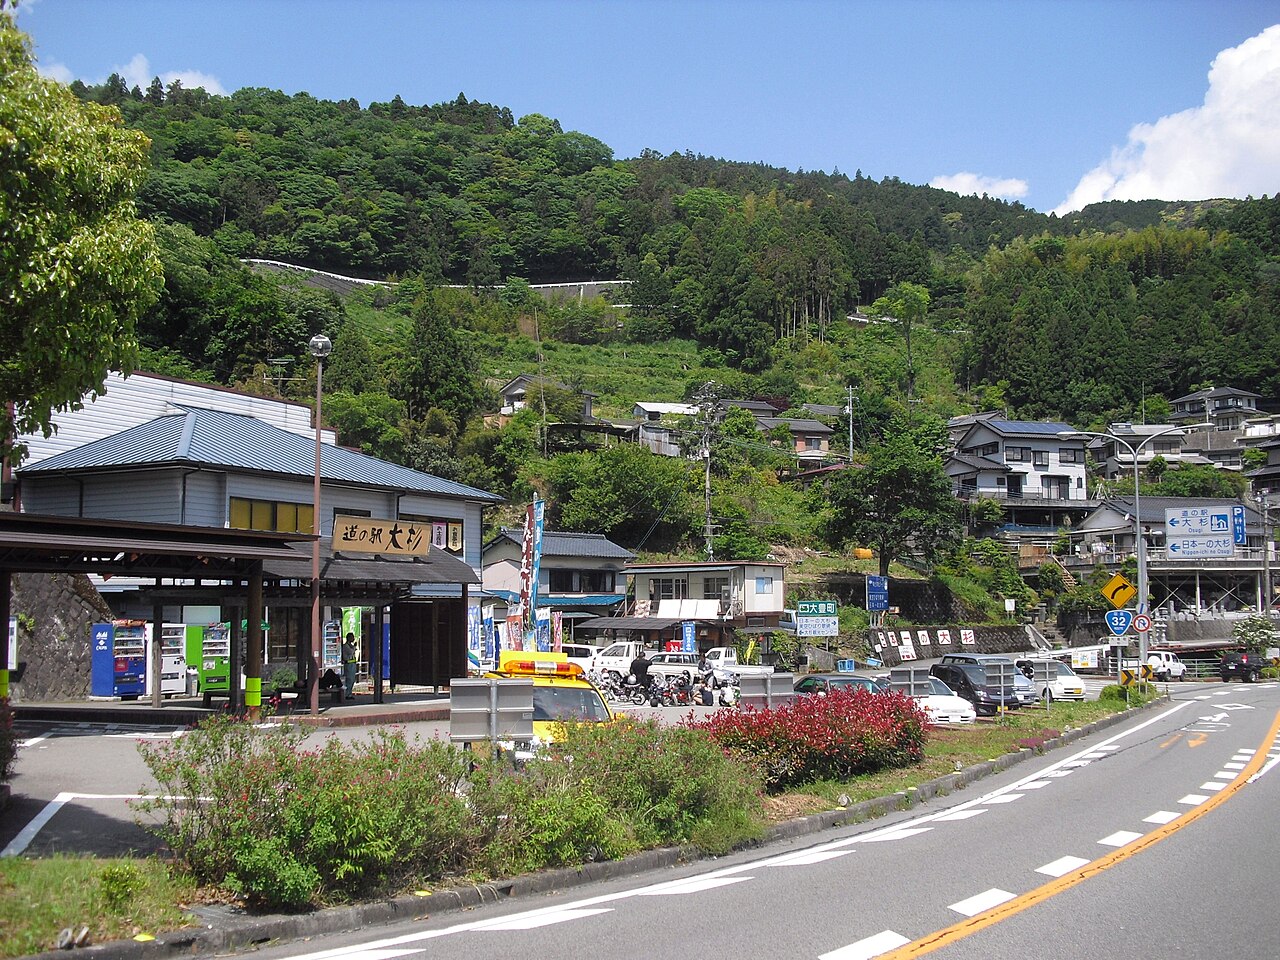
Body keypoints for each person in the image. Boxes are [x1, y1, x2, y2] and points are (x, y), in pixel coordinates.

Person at [341, 633, 358, 699]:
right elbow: (351, 652)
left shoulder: (351, 645)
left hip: (353, 664)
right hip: (348, 664)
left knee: (352, 679)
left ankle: (350, 693)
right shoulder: (346, 646)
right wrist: (354, 647)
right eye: (352, 637)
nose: (353, 638)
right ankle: (347, 694)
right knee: (349, 679)